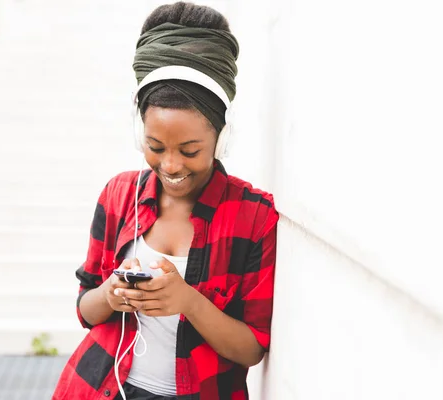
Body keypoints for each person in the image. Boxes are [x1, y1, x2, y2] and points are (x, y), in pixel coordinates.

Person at [52, 2, 279, 399]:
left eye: (190, 150)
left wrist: (187, 301)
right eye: (155, 146)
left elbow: (252, 348)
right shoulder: (118, 194)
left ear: (222, 137)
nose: (170, 165)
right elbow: (85, 309)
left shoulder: (254, 217)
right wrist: (110, 293)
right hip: (100, 387)